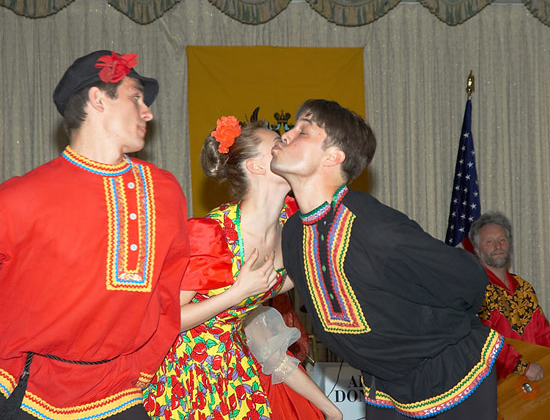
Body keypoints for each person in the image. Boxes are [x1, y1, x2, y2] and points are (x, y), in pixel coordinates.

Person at [270, 99, 504, 419]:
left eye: (303, 131)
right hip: (384, 387)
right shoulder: (294, 234)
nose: (285, 134)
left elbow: (467, 278)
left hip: (451, 375)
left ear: (333, 157)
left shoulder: (373, 225)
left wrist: (435, 329)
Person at [0, 50, 190, 420]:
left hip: (118, 388)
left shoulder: (165, 192)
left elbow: (168, 293)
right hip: (27, 386)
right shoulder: (20, 197)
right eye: (135, 97)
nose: (148, 112)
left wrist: (142, 369)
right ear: (97, 99)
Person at [144, 117, 341, 420]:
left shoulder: (292, 227)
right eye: (278, 145)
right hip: (182, 382)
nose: (287, 144)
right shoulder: (212, 235)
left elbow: (266, 345)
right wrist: (237, 293)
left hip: (234, 379)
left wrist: (332, 411)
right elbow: (163, 320)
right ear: (256, 167)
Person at [469, 211, 550, 382]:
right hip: (493, 386)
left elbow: (543, 333)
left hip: (533, 383)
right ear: (477, 249)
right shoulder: (474, 289)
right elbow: (480, 341)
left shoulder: (524, 287)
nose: (498, 247)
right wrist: (521, 367)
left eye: (502, 240)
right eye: (489, 242)